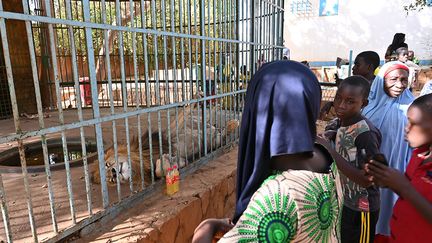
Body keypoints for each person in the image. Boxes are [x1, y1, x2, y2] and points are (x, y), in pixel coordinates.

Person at [365, 93, 432, 243]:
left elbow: (408, 190)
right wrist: (389, 181)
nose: (406, 128)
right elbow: (413, 193)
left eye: (412, 123)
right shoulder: (419, 155)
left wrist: (404, 187)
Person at [362, 61, 415, 239]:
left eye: (404, 80)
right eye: (393, 79)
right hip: (370, 174)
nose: (399, 85)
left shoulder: (413, 108)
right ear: (381, 80)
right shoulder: (367, 109)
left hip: (400, 172)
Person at [331, 76, 382, 243]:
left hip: (362, 209)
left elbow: (367, 179)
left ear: (364, 103)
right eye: (338, 97)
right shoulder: (342, 122)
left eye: (350, 101)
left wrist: (330, 151)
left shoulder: (366, 134)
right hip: (345, 202)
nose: (341, 105)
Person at [320, 51, 380, 120]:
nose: (353, 68)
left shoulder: (376, 88)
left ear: (369, 67)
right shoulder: (356, 83)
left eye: (357, 65)